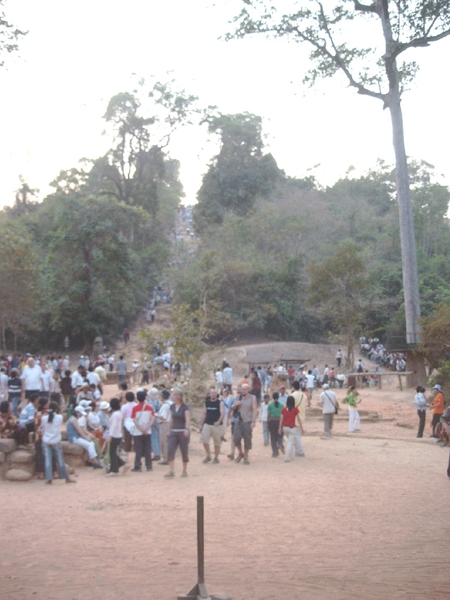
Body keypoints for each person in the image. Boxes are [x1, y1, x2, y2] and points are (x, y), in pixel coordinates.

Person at [41, 401, 76, 484]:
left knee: (47, 460)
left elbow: (43, 428)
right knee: (60, 460)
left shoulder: (44, 418)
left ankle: (49, 478)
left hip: (46, 440)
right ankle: (66, 478)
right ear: (56, 409)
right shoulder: (59, 417)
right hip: (56, 440)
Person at [165, 389, 190, 478]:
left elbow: (187, 419)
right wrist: (168, 430)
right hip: (174, 431)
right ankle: (171, 470)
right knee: (170, 449)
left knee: (184, 450)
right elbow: (171, 419)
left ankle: (184, 470)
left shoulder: (185, 407)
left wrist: (186, 429)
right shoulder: (172, 406)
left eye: (174, 395)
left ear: (178, 397)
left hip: (182, 431)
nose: (172, 397)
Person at [231, 383, 257, 465]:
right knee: (236, 438)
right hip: (239, 421)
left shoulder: (252, 398)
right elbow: (232, 408)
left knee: (247, 439)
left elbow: (255, 410)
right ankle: (240, 453)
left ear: (249, 390)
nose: (242, 391)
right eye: (242, 389)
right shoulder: (238, 397)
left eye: (245, 389)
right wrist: (235, 404)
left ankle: (245, 456)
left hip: (248, 421)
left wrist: (253, 421)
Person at [131, 390, 154, 472]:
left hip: (138, 432)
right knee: (148, 449)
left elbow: (134, 420)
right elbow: (152, 419)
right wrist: (147, 429)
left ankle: (137, 465)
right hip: (148, 432)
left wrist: (141, 429)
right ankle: (149, 465)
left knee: (138, 449)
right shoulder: (150, 407)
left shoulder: (134, 408)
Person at [199, 388, 224, 464]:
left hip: (217, 425)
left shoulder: (220, 403)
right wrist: (201, 424)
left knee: (217, 442)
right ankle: (208, 455)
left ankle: (216, 457)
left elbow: (222, 413)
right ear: (209, 394)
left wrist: (218, 421)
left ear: (216, 394)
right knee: (204, 440)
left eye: (214, 393)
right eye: (211, 393)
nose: (213, 395)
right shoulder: (207, 402)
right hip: (207, 423)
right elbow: (204, 413)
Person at [106, 398, 129, 477]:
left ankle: (114, 470)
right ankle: (123, 464)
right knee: (113, 453)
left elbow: (113, 426)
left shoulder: (115, 414)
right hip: (118, 434)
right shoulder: (119, 413)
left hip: (114, 435)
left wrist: (110, 436)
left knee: (112, 453)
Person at [279, 396, 302, 463]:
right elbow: (299, 419)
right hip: (292, 427)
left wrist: (279, 427)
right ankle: (287, 457)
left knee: (289, 441)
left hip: (285, 427)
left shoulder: (283, 409)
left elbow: (281, 419)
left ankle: (291, 456)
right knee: (290, 442)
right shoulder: (295, 410)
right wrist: (302, 428)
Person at [156, 389, 172, 465]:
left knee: (164, 442)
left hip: (165, 424)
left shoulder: (165, 405)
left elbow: (163, 417)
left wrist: (155, 415)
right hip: (170, 423)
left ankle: (166, 458)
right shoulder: (171, 403)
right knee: (168, 442)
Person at [267, 392, 283, 457]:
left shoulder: (270, 405)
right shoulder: (282, 405)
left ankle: (275, 452)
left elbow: (268, 415)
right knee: (280, 435)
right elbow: (282, 415)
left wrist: (268, 424)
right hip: (279, 421)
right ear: (278, 397)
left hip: (272, 422)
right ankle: (280, 443)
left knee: (272, 438)